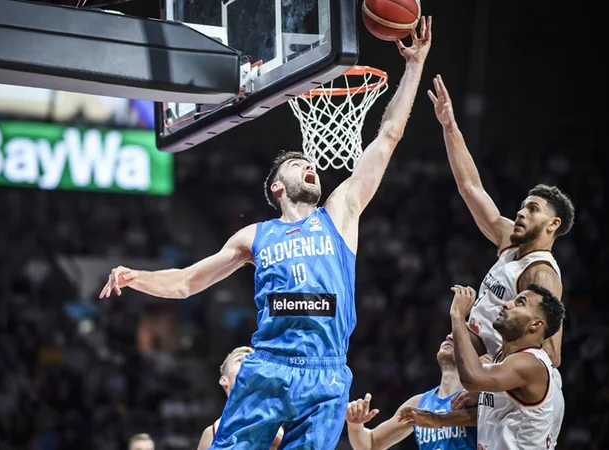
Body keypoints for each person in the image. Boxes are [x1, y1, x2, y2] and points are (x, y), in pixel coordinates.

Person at [99, 17, 433, 450]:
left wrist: (415, 66)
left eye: (308, 164)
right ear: (278, 187)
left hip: (327, 369)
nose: (310, 166)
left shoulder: (340, 213)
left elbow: (387, 137)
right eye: (297, 165)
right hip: (269, 365)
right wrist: (136, 277)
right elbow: (186, 282)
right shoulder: (254, 237)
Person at [427, 74, 575, 410]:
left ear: (552, 225)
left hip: (503, 391)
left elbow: (550, 355)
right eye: (522, 205)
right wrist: (450, 125)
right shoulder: (510, 239)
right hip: (480, 366)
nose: (521, 213)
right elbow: (471, 188)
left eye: (532, 209)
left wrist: (488, 385)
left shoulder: (541, 275)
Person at [400, 285, 565, 450]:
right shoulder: (504, 360)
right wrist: (440, 420)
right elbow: (489, 414)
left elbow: (472, 378)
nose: (507, 304)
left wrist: (458, 316)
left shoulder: (531, 363)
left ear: (535, 324)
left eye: (520, 303)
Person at [345, 335, 477, 450]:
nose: (450, 336)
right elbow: (371, 444)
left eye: (461, 334)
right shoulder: (419, 403)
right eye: (450, 332)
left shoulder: (479, 398)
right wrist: (355, 425)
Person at [197, 346, 283, 450]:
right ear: (224, 380)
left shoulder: (282, 420)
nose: (248, 364)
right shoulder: (212, 432)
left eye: (253, 361)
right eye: (240, 360)